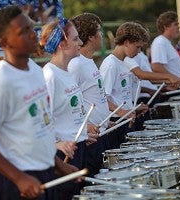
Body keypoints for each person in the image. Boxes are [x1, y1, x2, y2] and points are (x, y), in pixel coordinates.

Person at [0, 6, 78, 200]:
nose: (33, 34)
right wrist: (19, 178)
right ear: (4, 42)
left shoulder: (36, 71)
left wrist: (62, 167)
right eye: (23, 31)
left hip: (44, 173)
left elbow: (40, 134)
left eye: (31, 27)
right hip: (15, 181)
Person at [40, 17, 96, 199]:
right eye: (75, 39)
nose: (80, 42)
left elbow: (71, 112)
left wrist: (84, 134)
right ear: (61, 45)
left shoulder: (66, 72)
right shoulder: (49, 75)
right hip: (60, 154)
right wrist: (56, 143)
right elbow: (40, 120)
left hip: (76, 147)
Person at [68, 13, 111, 177]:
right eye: (99, 32)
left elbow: (94, 97)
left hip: (101, 134)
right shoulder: (76, 64)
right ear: (92, 37)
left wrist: (107, 120)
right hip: (89, 139)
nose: (102, 36)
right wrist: (83, 128)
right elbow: (69, 102)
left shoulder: (89, 61)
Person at [99, 22, 148, 149]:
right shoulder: (110, 65)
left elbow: (120, 96)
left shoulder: (124, 62)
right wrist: (121, 112)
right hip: (116, 123)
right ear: (126, 42)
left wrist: (134, 109)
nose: (139, 52)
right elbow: (102, 97)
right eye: (137, 47)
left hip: (126, 119)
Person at [151, 11, 180, 84]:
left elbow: (173, 69)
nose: (178, 27)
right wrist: (176, 79)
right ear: (165, 27)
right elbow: (156, 67)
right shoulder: (160, 42)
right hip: (172, 87)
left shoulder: (167, 43)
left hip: (177, 86)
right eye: (175, 24)